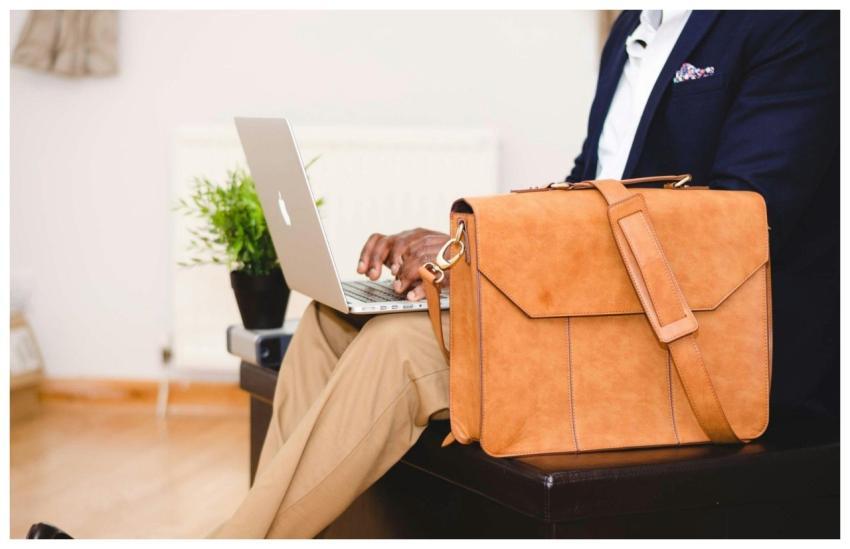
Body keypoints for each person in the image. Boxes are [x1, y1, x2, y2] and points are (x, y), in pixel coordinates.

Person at [29, 9, 838, 539]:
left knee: (403, 353)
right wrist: (461, 250)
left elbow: (737, 222)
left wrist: (493, 259)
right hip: (599, 326)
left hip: (696, 354)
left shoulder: (788, 25)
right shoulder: (633, 25)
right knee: (335, 321)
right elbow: (587, 187)